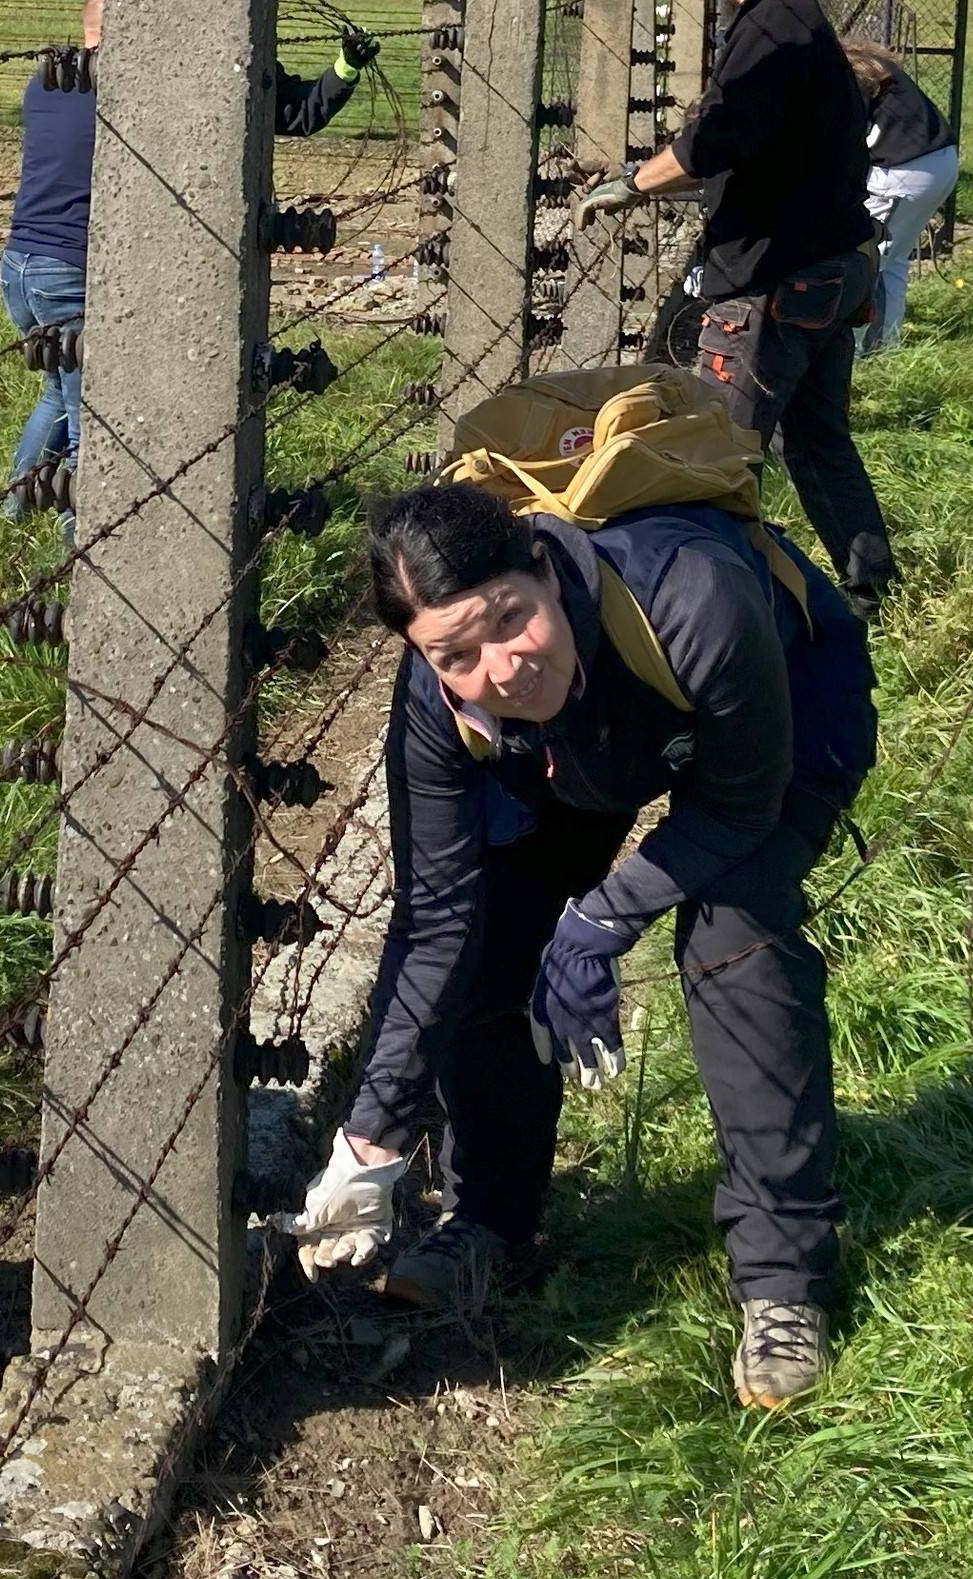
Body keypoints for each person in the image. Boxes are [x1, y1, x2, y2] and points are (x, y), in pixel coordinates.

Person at [292, 466, 876, 1409]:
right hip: (578, 749)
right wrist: (372, 1138)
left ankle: (782, 1283)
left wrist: (604, 917)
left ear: (545, 567)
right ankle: (491, 1219)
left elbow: (737, 806)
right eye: (454, 655)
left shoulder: (694, 599)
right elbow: (435, 916)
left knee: (737, 935)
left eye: (509, 616)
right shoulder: (444, 707)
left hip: (781, 718)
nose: (500, 667)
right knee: (490, 929)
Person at [578, 0, 892, 601]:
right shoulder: (804, 22)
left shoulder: (766, 35)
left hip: (772, 282)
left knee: (720, 449)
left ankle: (718, 599)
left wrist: (632, 182)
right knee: (818, 441)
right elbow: (757, 151)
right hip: (829, 267)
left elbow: (708, 143)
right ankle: (870, 586)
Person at [0, 0, 378, 507]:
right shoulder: (138, 91)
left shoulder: (49, 83)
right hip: (70, 271)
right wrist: (341, 71)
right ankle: (78, 551)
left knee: (59, 393)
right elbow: (291, 114)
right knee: (92, 416)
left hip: (20, 264)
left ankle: (18, 509)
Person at [848, 43, 958, 357]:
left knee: (860, 260)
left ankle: (849, 354)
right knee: (891, 260)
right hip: (939, 162)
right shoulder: (874, 66)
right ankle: (885, 350)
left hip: (904, 172)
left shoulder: (842, 75)